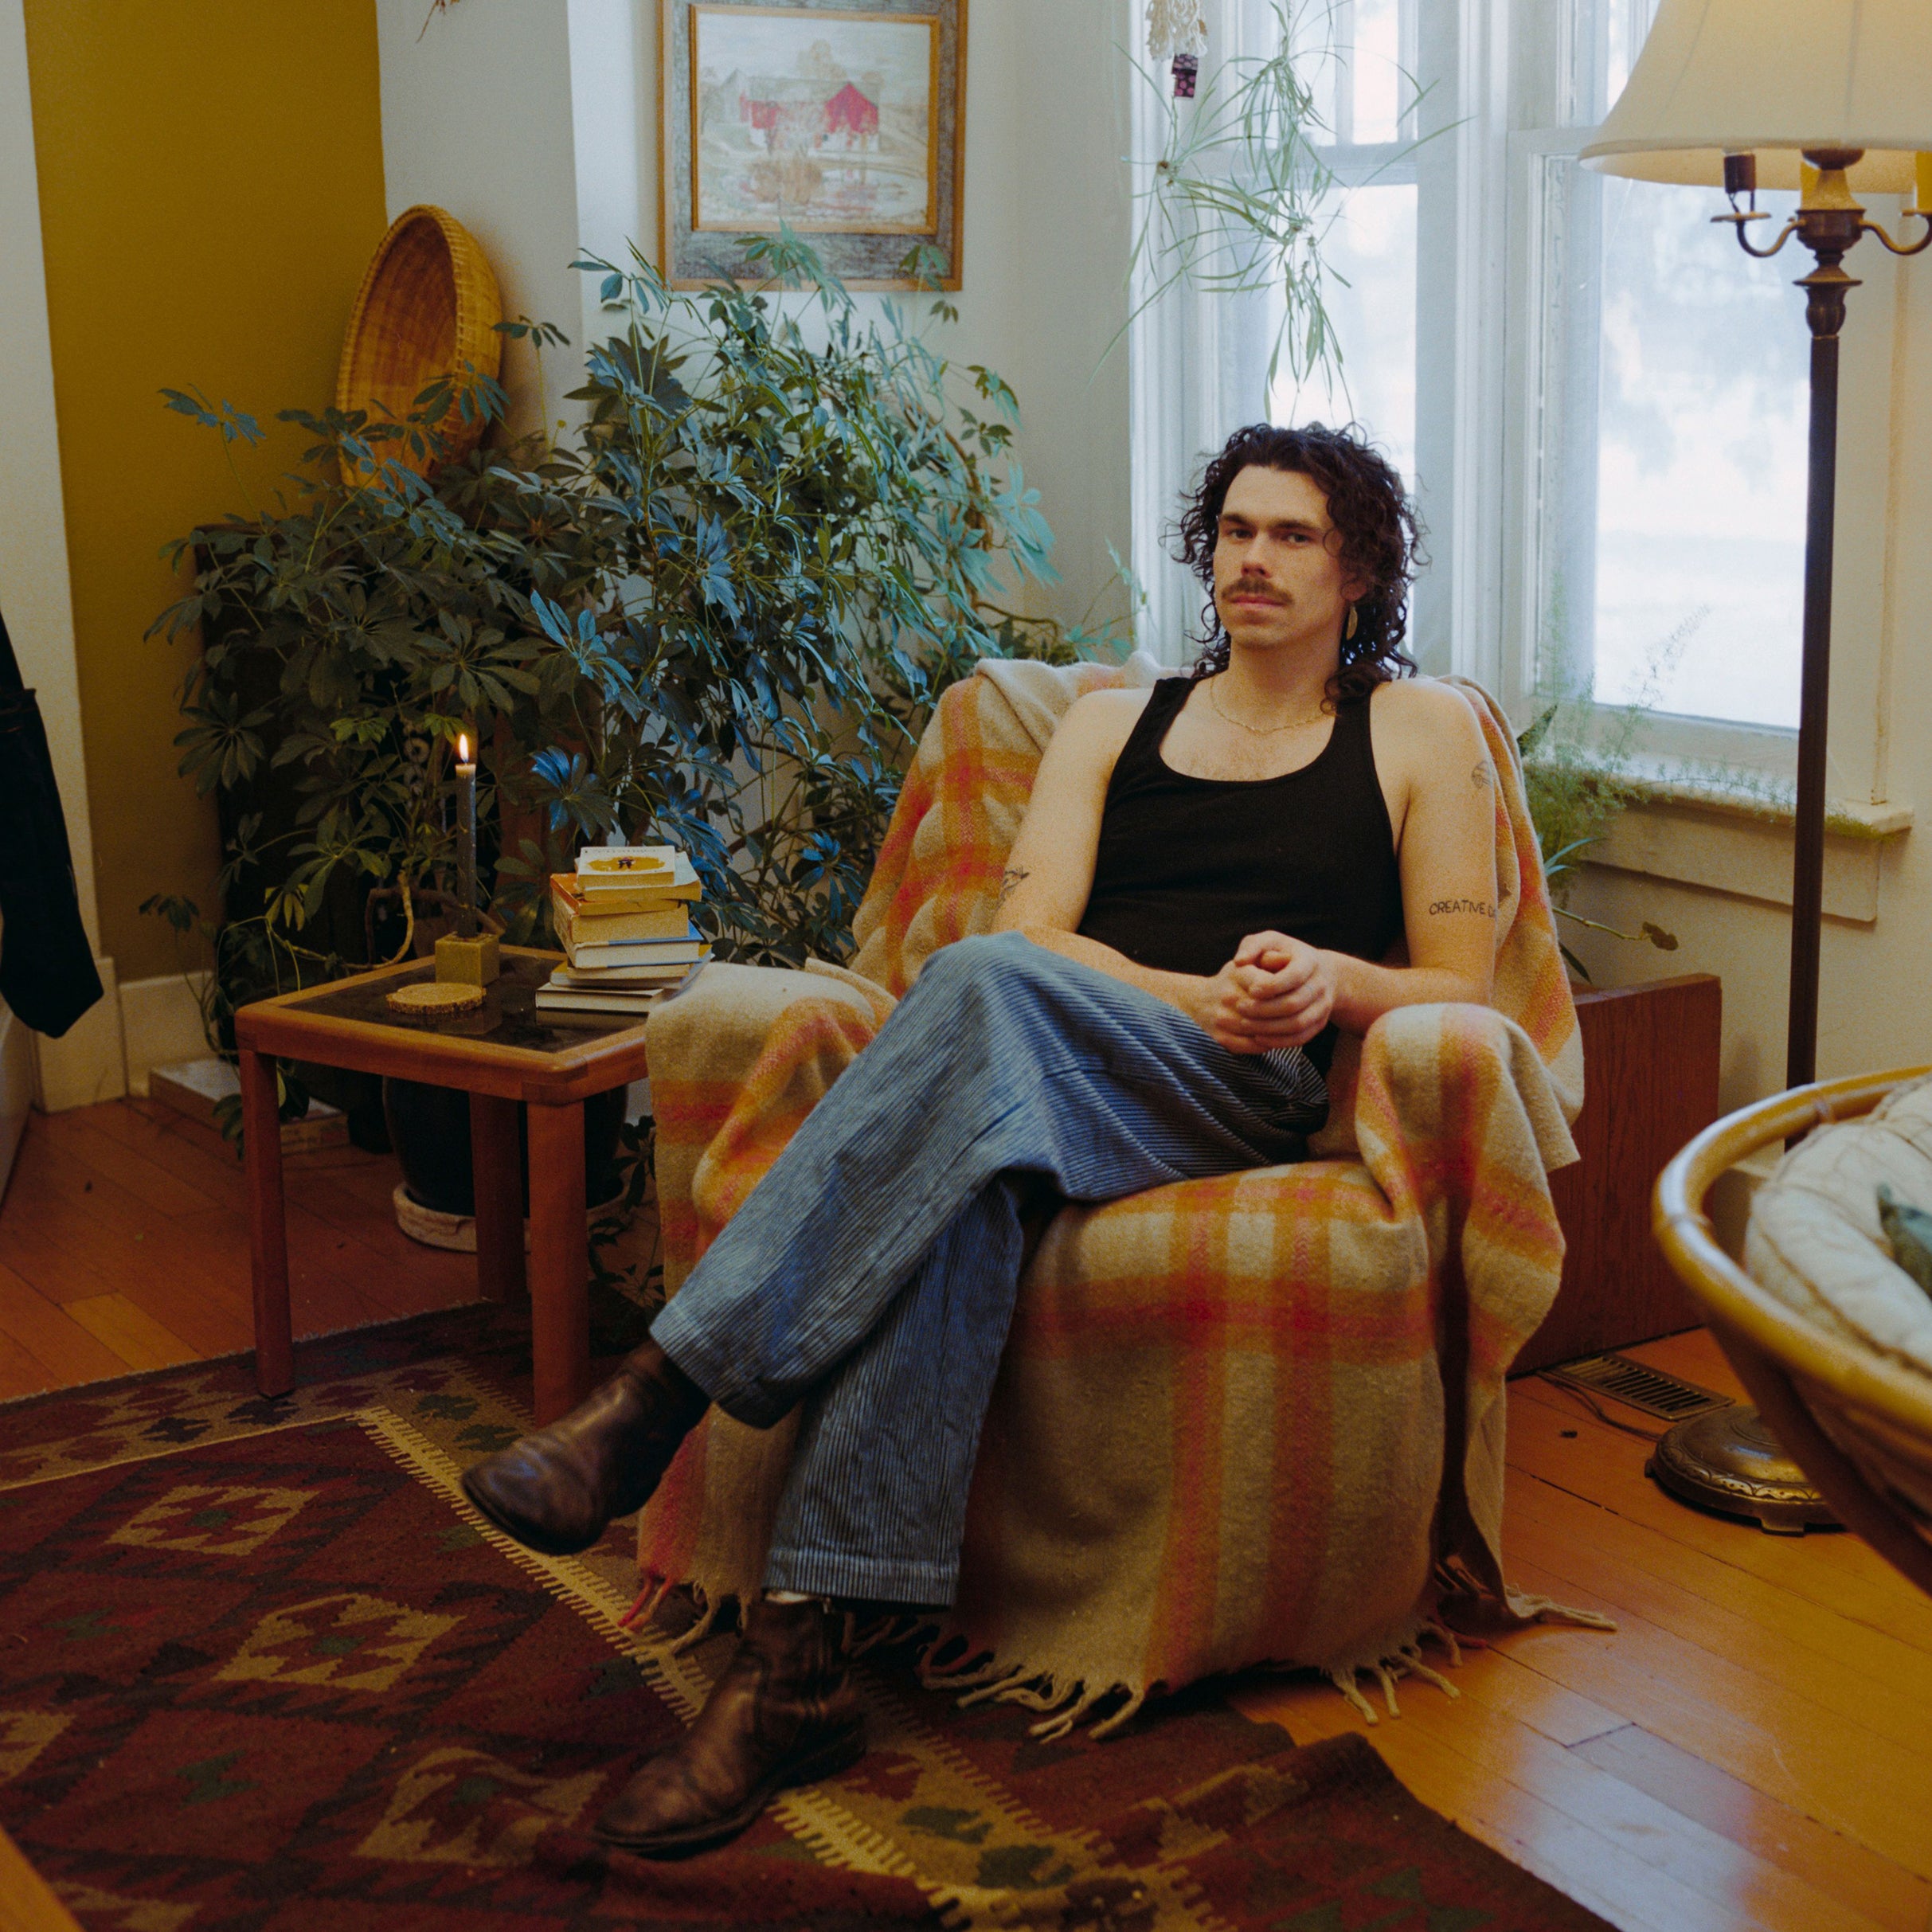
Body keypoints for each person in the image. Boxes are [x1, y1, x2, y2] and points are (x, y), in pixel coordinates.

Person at [460, 421, 1501, 1858]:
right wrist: (1179, 988)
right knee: (967, 1158)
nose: (1252, 559)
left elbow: (1465, 988)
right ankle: (795, 1668)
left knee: (976, 989)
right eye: (1234, 530)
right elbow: (1030, 933)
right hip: (1060, 1053)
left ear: (1359, 568)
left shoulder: (1417, 731)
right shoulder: (1111, 726)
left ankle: (657, 1393)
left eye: (1293, 535)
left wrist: (1327, 980)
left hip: (1236, 1090)